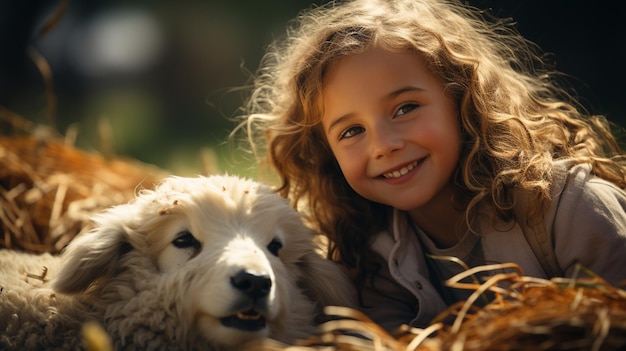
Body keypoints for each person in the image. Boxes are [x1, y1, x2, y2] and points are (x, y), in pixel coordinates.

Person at [234, 0, 626, 332]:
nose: (384, 145)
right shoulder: (373, 254)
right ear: (326, 154)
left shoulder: (569, 209)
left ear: (463, 100)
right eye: (352, 131)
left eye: (405, 108)